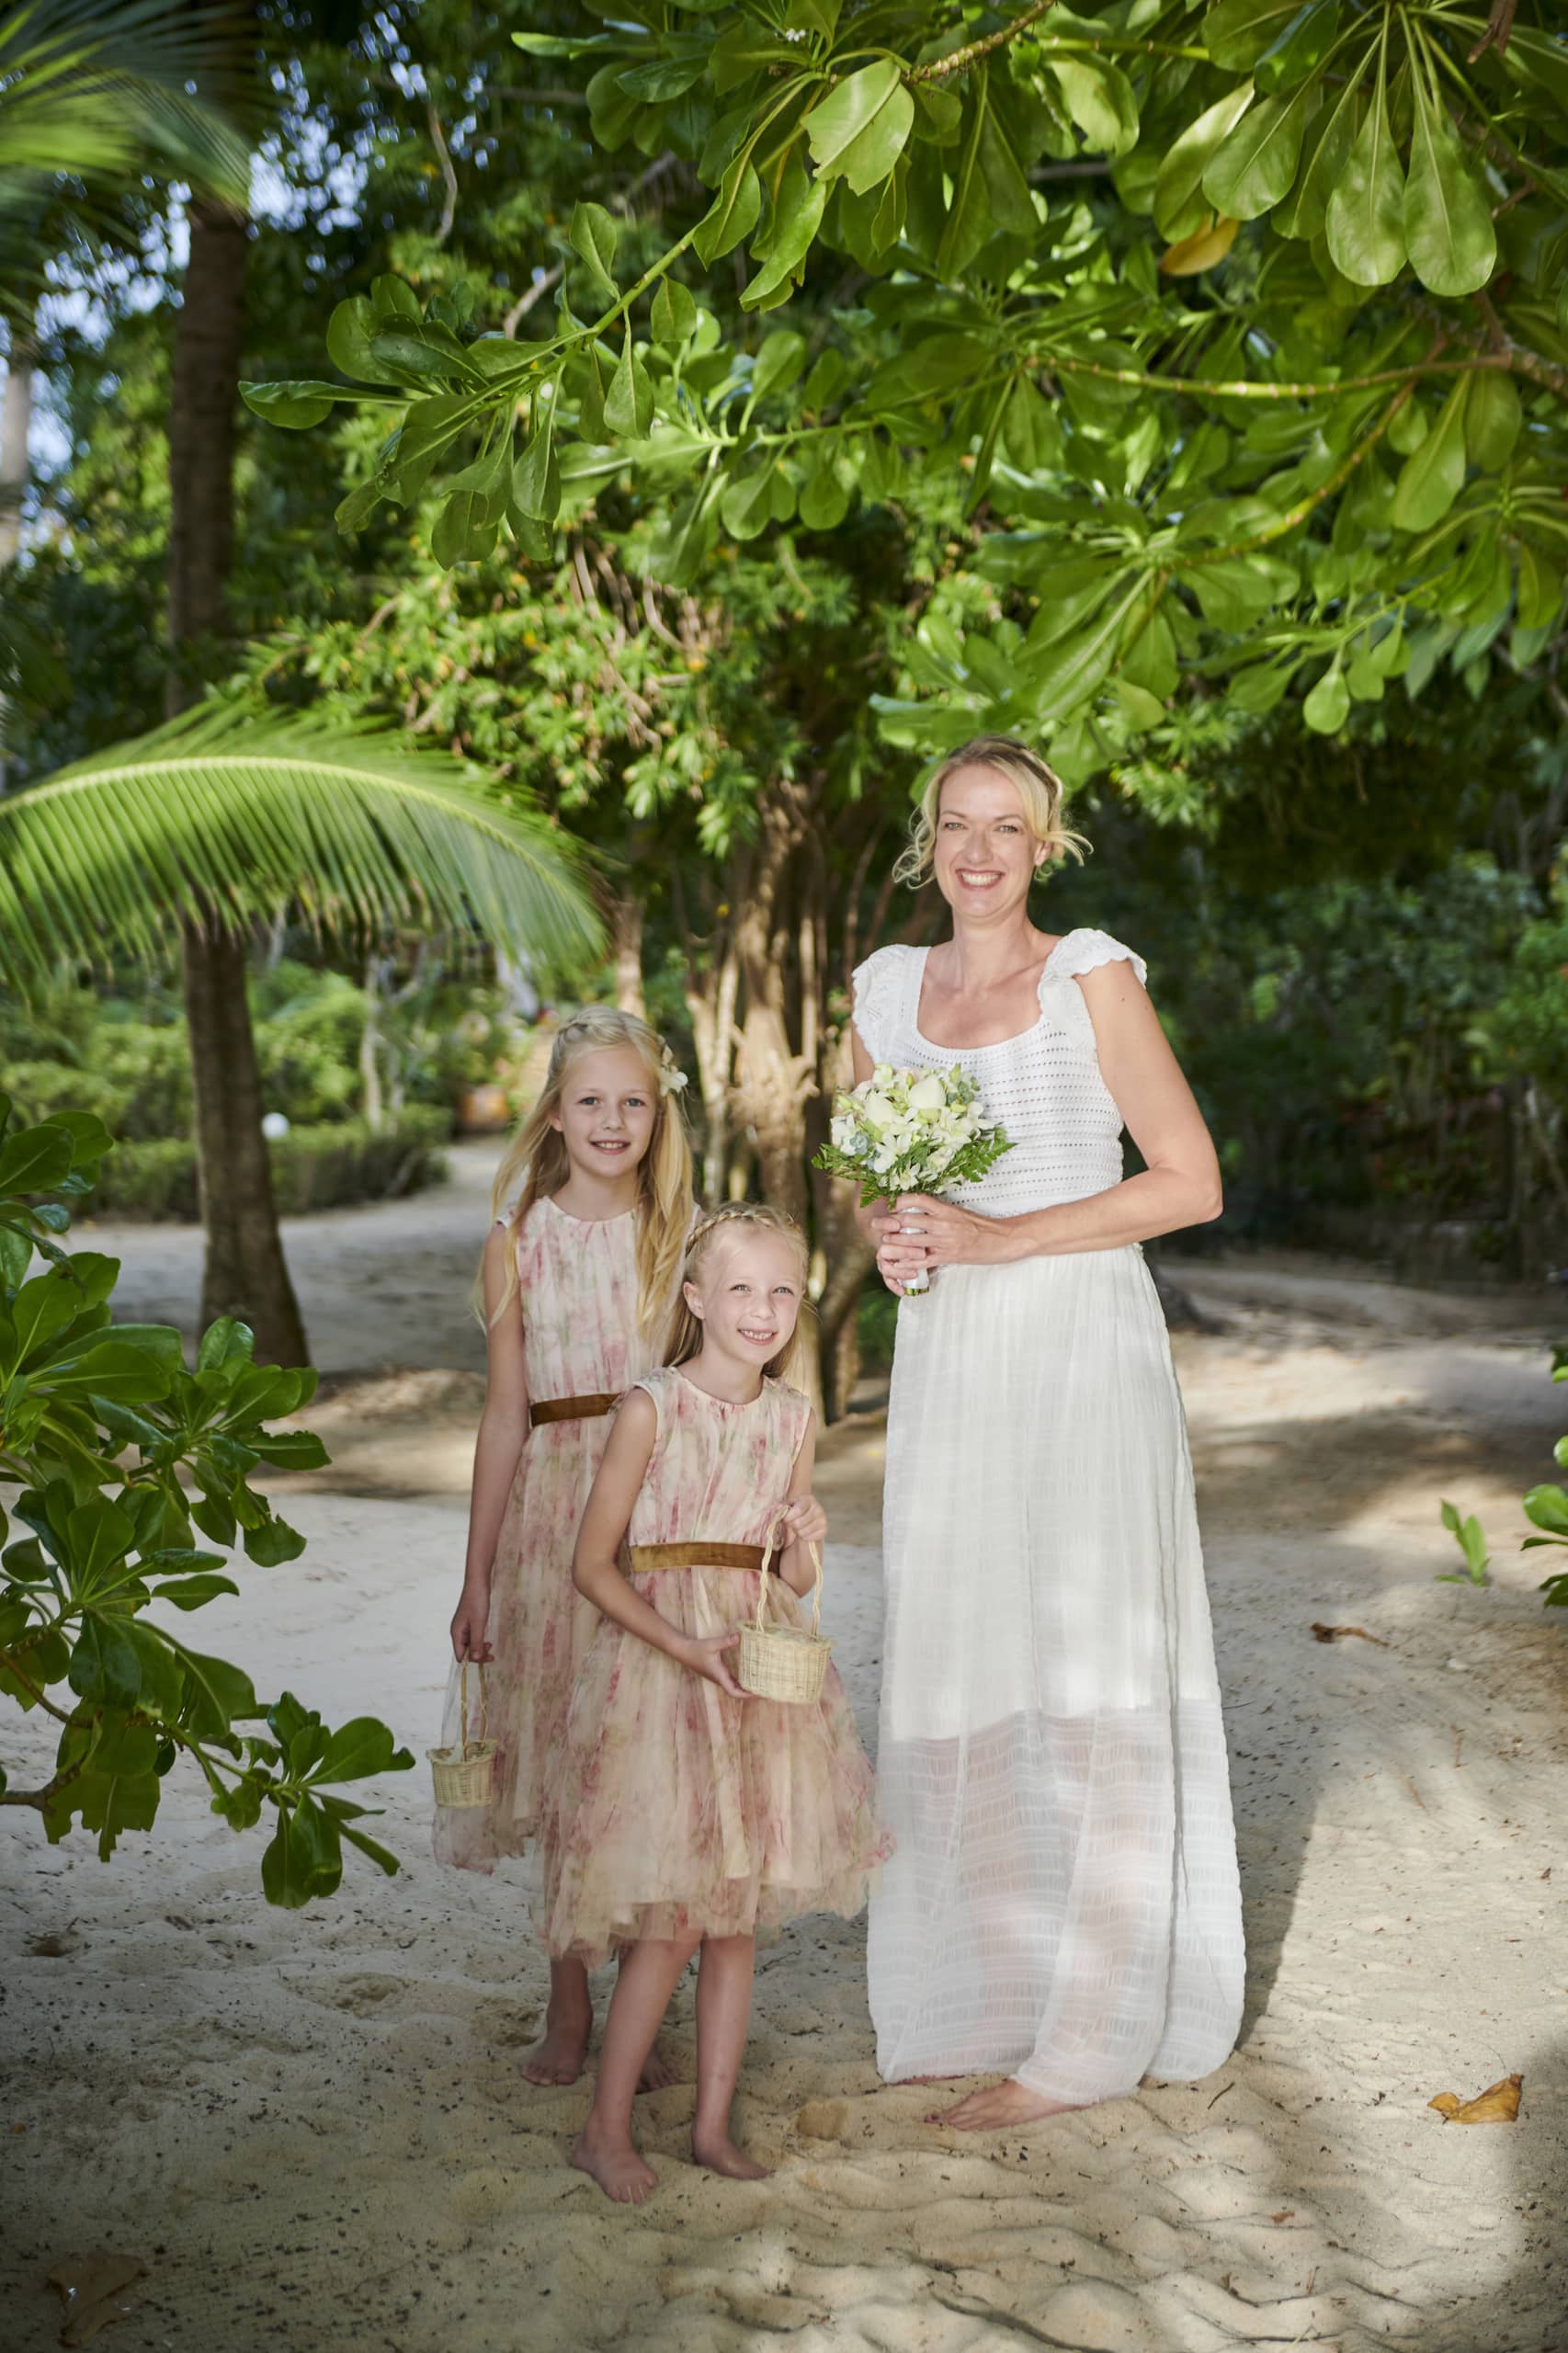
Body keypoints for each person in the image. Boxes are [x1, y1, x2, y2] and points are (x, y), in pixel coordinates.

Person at [850, 734, 1244, 2131]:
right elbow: (876, 1186)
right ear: (927, 840)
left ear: (1043, 844)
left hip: (1079, 1344)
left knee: (1084, 1662)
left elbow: (1188, 1182)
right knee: (960, 1653)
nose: (978, 852)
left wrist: (1001, 1236)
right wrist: (896, 1241)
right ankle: (982, 1993)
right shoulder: (883, 991)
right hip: (952, 1355)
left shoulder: (1091, 974)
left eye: (1004, 827)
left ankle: (1087, 2035)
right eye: (956, 825)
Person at [547, 1203, 891, 2203]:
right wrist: (684, 1647)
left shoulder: (792, 1416)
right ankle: (605, 2130)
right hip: (666, 1673)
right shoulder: (650, 1407)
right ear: (696, 1299)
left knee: (735, 1920)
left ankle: (709, 2127)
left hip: (757, 1676)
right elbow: (591, 1566)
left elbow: (790, 1574)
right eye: (741, 1288)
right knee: (673, 1921)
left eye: (782, 1290)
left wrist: (806, 1539)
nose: (763, 1309)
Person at [439, 1006, 695, 2091]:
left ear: (658, 1113)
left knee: (639, 1758)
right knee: (558, 1757)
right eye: (590, 1100)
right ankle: (566, 1997)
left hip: (655, 1515)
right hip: (551, 1520)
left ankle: (639, 1998)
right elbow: (505, 1413)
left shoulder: (681, 1236)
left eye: (632, 1101)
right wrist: (476, 1573)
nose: (612, 1120)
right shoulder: (515, 1242)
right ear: (553, 1112)